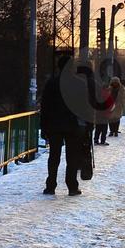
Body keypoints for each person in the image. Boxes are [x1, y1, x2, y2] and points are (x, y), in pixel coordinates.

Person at [39, 51, 83, 195]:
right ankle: (72, 187)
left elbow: (44, 107)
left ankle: (50, 185)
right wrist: (87, 126)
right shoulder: (78, 83)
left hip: (54, 126)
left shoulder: (51, 83)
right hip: (72, 126)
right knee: (72, 157)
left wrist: (43, 127)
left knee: (54, 156)